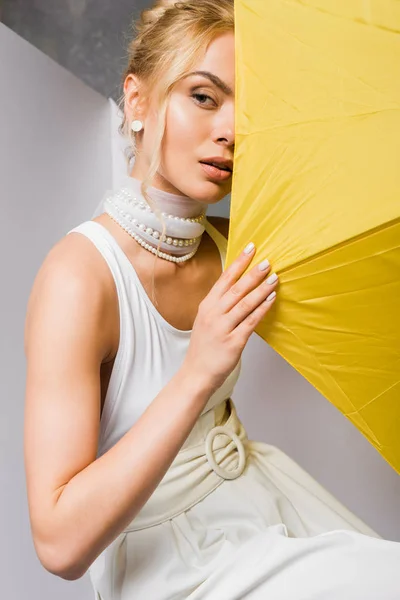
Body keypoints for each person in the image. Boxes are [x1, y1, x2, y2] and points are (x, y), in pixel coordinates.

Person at [23, 1, 400, 598]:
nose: (230, 130)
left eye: (246, 110)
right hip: (165, 556)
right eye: (203, 96)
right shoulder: (80, 277)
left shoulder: (236, 249)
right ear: (139, 101)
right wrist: (198, 371)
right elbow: (58, 545)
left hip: (264, 501)